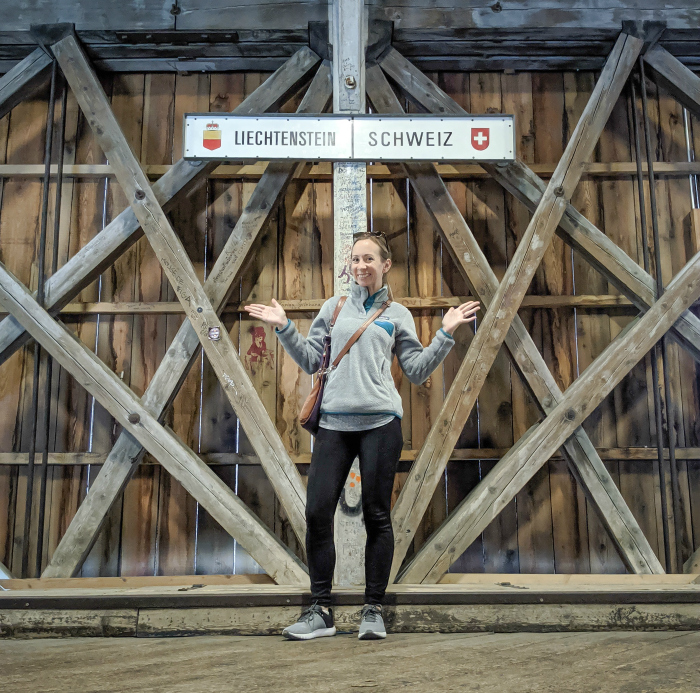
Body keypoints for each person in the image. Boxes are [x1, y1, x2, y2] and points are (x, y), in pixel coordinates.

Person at [244, 231, 479, 640]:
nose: (361, 266)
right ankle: (321, 611)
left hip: (380, 425)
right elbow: (311, 360)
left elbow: (418, 370)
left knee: (376, 515)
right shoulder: (333, 308)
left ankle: (373, 609)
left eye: (369, 259)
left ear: (385, 265)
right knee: (317, 513)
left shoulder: (398, 314)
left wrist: (445, 333)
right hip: (334, 424)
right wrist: (283, 328)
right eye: (355, 260)